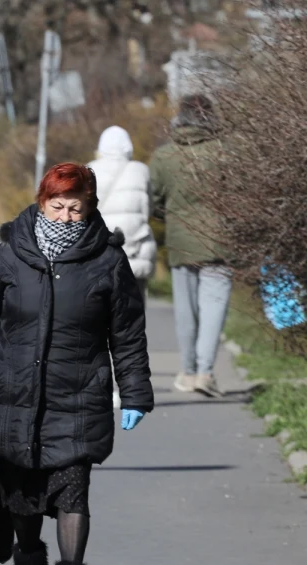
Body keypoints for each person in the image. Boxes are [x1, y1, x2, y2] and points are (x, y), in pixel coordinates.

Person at [0, 163, 153, 565]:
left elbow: (127, 333)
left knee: (73, 493)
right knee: (21, 495)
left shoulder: (107, 260)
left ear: (90, 208)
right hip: (13, 394)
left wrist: (135, 393)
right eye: (57, 206)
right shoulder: (8, 254)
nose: (66, 216)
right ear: (41, 202)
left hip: (78, 396)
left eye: (75, 208)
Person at [150, 94, 231, 398]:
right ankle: (205, 373)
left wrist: (168, 214)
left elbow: (154, 199)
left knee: (186, 311)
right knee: (213, 309)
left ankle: (187, 371)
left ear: (179, 119)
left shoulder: (164, 156)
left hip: (180, 241)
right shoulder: (226, 152)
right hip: (219, 243)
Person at [87, 125, 157, 409]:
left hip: (98, 257)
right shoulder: (141, 171)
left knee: (95, 322)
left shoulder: (88, 170)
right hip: (134, 255)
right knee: (129, 326)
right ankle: (126, 388)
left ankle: (99, 386)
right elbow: (148, 209)